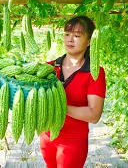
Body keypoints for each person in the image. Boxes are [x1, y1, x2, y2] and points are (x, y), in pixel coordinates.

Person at [39, 15, 106, 168]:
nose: (70, 39)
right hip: (47, 136)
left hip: (73, 142)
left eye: (77, 36)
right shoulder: (49, 67)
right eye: (67, 34)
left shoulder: (94, 73)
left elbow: (94, 115)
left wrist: (59, 106)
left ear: (89, 41)